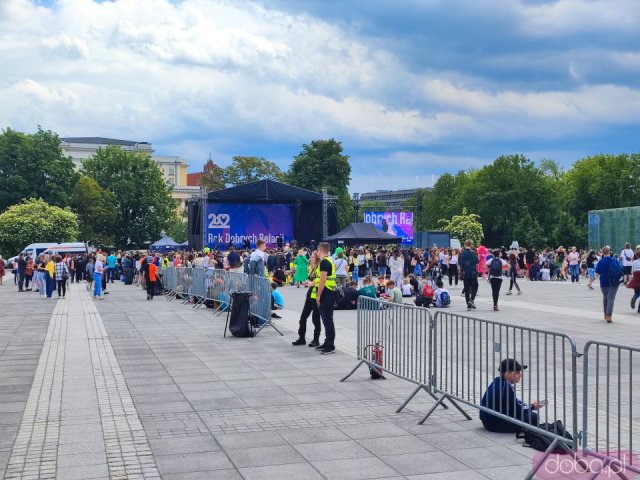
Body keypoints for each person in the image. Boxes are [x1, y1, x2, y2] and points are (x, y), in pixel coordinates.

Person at [480, 359, 544, 433]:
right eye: (517, 372)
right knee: (532, 417)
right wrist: (532, 406)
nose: (520, 375)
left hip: (489, 421)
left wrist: (528, 406)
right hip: (495, 424)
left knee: (528, 414)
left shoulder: (498, 381)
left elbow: (515, 403)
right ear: (507, 373)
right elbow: (517, 409)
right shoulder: (505, 387)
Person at [292, 252, 322, 347]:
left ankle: (316, 339)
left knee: (315, 319)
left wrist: (311, 283)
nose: (311, 258)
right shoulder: (312, 268)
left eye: (313, 257)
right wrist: (308, 282)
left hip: (316, 296)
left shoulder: (319, 268)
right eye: (311, 257)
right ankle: (301, 338)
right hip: (310, 295)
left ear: (317, 258)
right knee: (303, 317)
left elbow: (320, 281)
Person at [314, 242, 337, 354]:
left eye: (317, 250)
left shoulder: (324, 262)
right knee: (326, 320)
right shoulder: (329, 260)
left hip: (326, 293)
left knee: (327, 320)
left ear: (320, 250)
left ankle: (330, 345)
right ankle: (327, 341)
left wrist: (318, 295)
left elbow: (322, 280)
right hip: (329, 292)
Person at [595, 246, 622, 323]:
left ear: (603, 253)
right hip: (614, 283)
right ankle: (609, 315)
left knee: (605, 297)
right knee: (611, 298)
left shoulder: (601, 262)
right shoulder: (615, 260)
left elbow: (596, 274)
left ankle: (605, 314)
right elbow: (620, 270)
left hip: (604, 282)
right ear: (610, 252)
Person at [459, 240, 479, 310]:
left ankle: (468, 305)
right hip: (473, 272)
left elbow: (460, 264)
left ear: (465, 244)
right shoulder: (474, 253)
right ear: (471, 244)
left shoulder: (461, 253)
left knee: (466, 289)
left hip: (465, 273)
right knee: (475, 287)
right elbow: (477, 262)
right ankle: (472, 300)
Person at [627, 246, 640, 313]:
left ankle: (634, 297)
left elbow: (632, 272)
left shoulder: (634, 262)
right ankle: (639, 309)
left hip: (636, 279)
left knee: (637, 292)